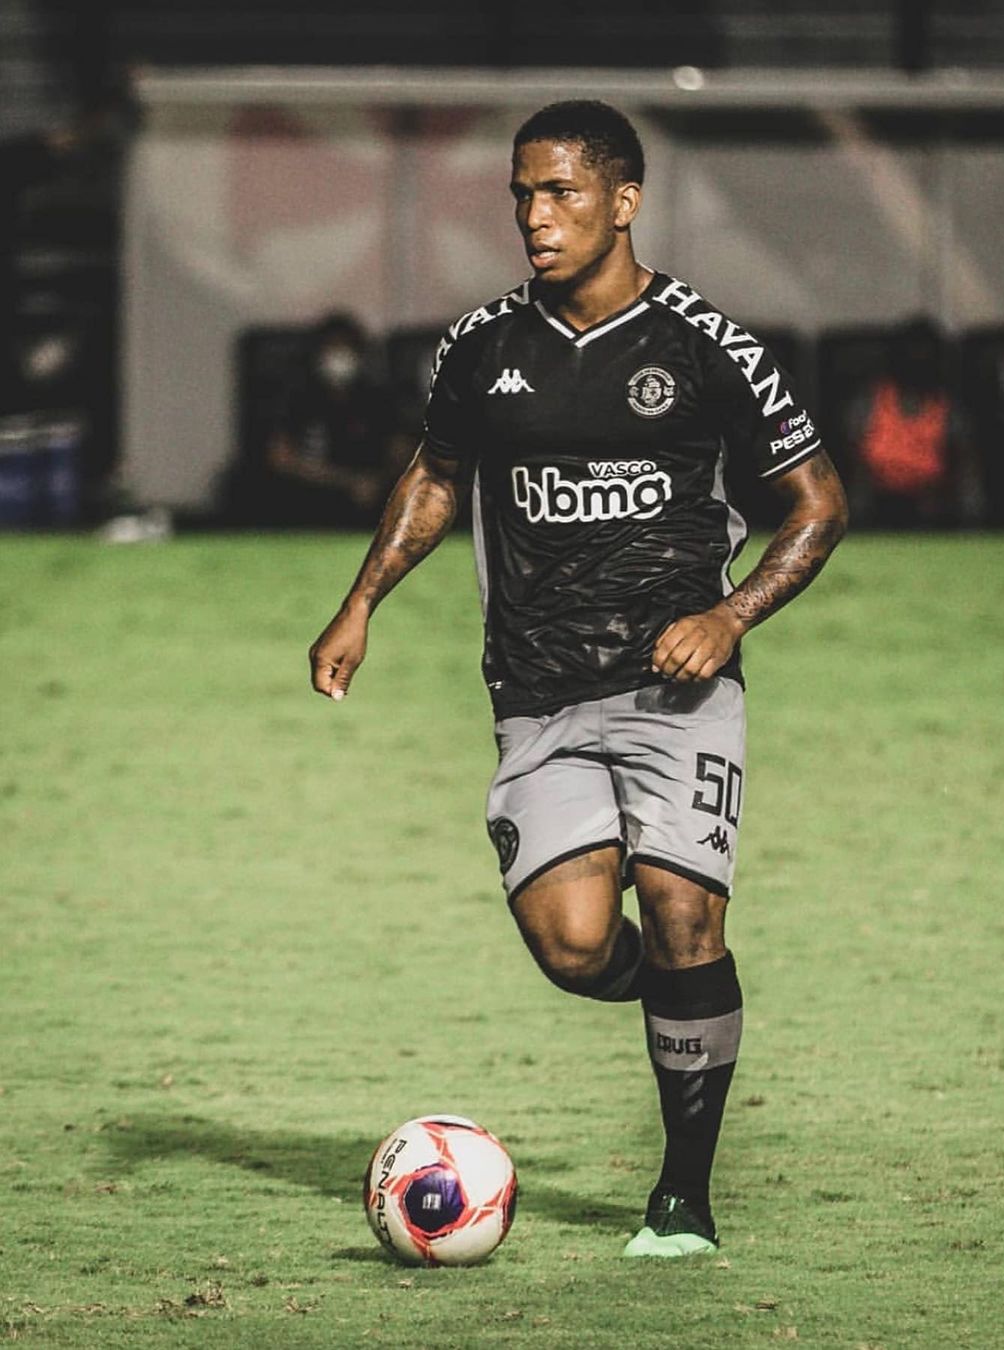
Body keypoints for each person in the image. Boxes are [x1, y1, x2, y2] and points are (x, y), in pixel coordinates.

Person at [309, 101, 848, 1257]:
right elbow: (435, 477)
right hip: (537, 692)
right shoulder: (482, 347)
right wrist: (362, 602)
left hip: (678, 692)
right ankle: (688, 1001)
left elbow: (819, 506)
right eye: (522, 193)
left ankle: (683, 1199)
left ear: (624, 200)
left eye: (560, 192)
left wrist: (729, 613)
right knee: (572, 947)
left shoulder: (706, 345)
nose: (535, 216)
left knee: (684, 909)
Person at [261, 313, 402, 527]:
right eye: (332, 348)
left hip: (372, 498)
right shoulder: (297, 398)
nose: (339, 357)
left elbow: (402, 453)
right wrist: (346, 482)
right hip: (310, 496)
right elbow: (280, 459)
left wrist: (376, 482)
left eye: (346, 348)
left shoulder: (378, 399)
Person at [845, 316, 978, 527]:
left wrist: (972, 518)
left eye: (925, 355)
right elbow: (852, 464)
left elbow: (966, 467)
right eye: (912, 353)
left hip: (932, 508)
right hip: (876, 505)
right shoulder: (868, 403)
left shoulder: (949, 409)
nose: (918, 361)